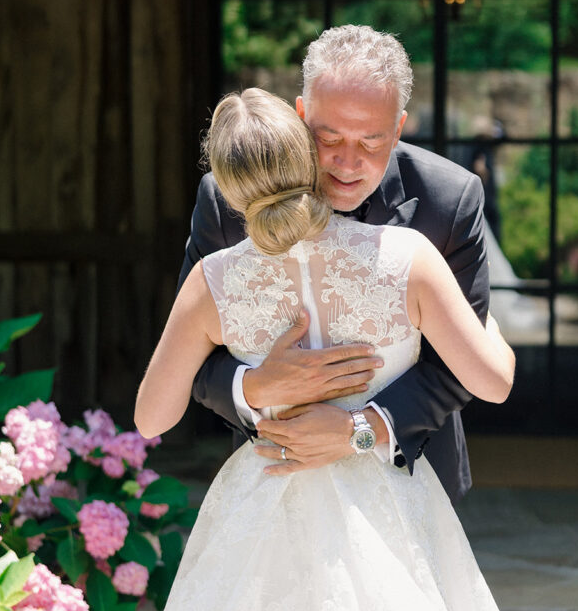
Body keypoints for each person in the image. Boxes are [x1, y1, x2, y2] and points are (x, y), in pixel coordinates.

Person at [81, 89, 563, 611]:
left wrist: (251, 383)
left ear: (226, 185)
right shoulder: (405, 257)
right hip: (386, 498)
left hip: (262, 495)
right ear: (308, 159)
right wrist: (494, 337)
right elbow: (490, 382)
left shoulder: (214, 282)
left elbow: (152, 415)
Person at [178, 25, 488, 503]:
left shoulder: (449, 202)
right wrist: (254, 387)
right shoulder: (227, 200)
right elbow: (188, 356)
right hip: (273, 482)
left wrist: (357, 431)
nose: (347, 162)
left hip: (411, 479)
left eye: (371, 141)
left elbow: (456, 367)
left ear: (399, 127)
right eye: (328, 137)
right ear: (302, 114)